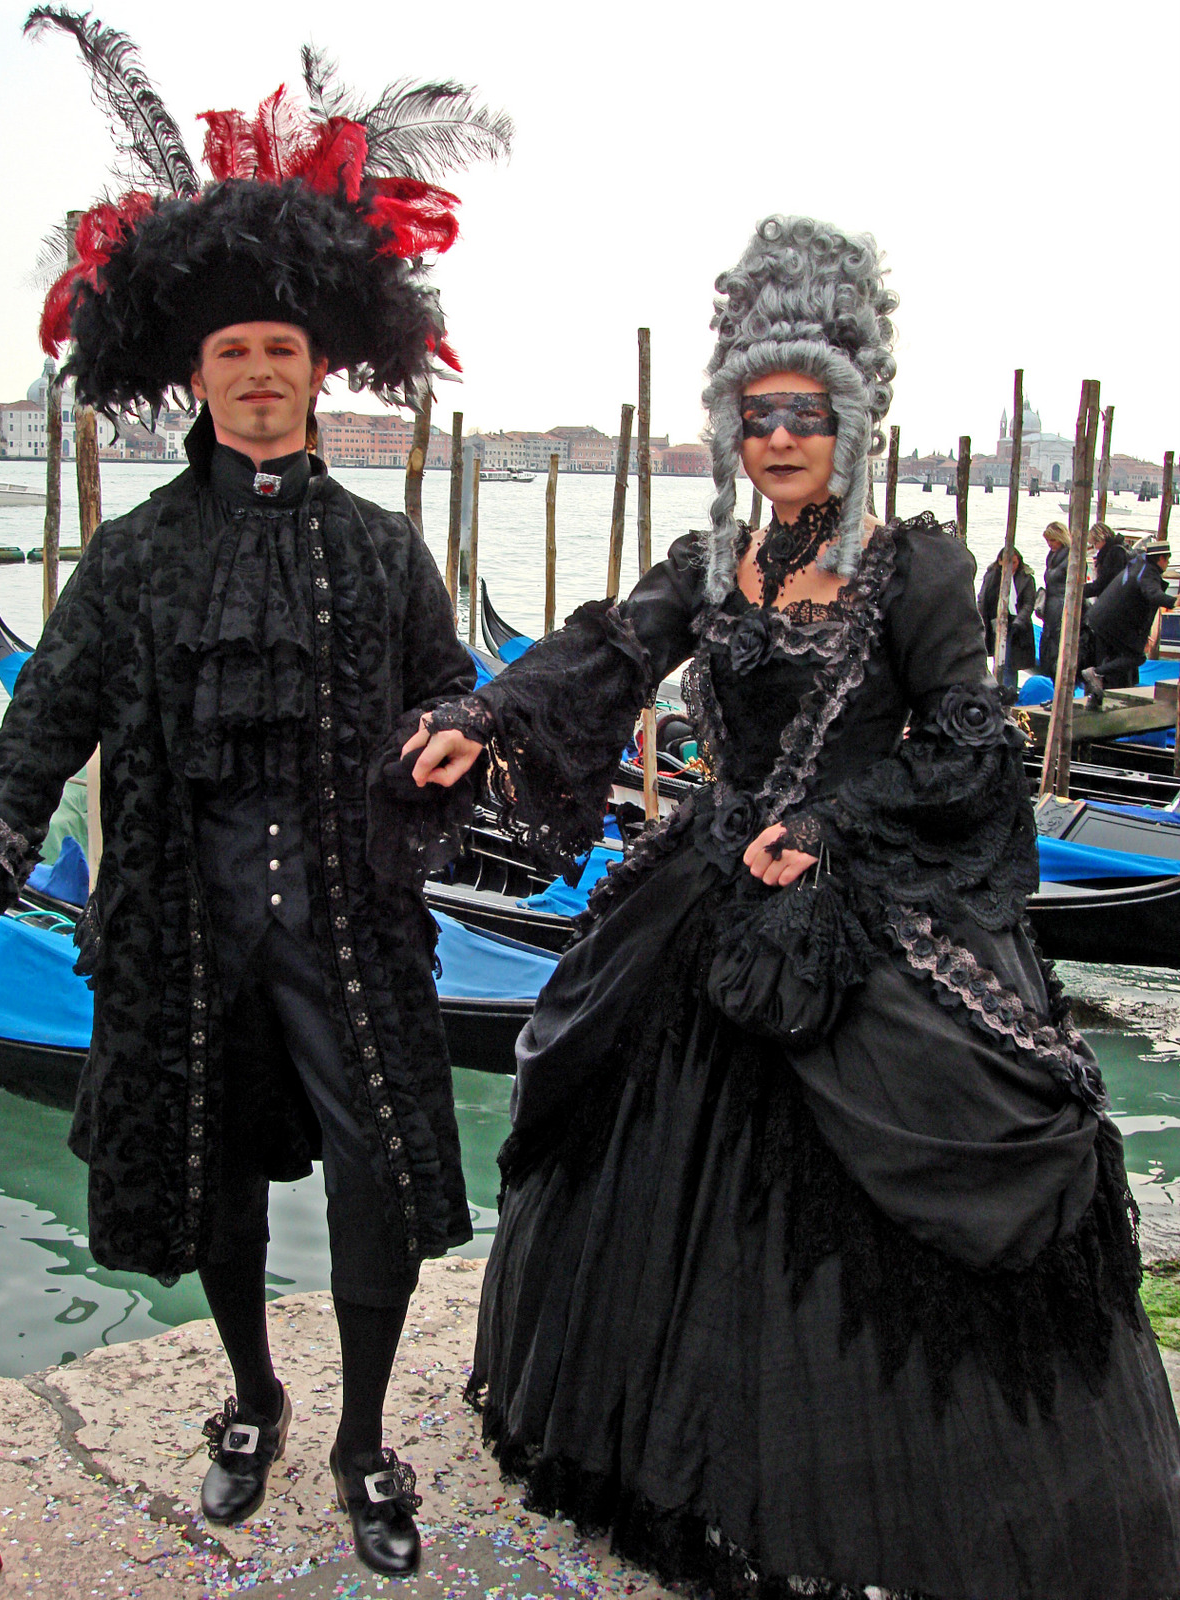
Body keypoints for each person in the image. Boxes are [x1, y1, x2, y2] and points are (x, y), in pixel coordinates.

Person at [401, 216, 1180, 1599]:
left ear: (852, 421)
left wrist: (827, 823)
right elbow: (607, 651)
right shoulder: (713, 562)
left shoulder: (915, 567)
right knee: (628, 1134)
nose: (776, 438)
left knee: (935, 1161)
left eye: (804, 414)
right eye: (754, 415)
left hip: (863, 902)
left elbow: (970, 743)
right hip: (708, 897)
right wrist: (484, 712)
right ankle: (669, 1462)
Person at [0, 69, 500, 1577]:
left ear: (320, 366)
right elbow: (31, 748)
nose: (260, 374)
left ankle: (361, 1443)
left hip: (351, 927)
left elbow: (457, 696)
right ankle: (253, 1397)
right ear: (197, 375)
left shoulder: (385, 552)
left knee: (374, 1178)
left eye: (282, 349)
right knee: (212, 1176)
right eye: (234, 353)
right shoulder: (135, 559)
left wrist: (456, 738)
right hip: (183, 928)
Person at [1083, 538, 1176, 704]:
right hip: (1112, 624)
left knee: (1112, 659)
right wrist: (1173, 601)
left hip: (1101, 619)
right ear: (1161, 559)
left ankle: (1095, 696)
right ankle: (1096, 673)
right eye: (1167, 559)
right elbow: (1152, 593)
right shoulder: (1149, 573)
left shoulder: (1138, 564)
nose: (1168, 563)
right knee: (1136, 657)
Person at [977, 544, 1036, 690]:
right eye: (1008, 562)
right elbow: (983, 598)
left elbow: (1029, 603)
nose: (1011, 566)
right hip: (995, 621)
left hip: (1015, 622)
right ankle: (997, 689)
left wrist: (1019, 621)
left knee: (1010, 662)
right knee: (997, 659)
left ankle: (1009, 691)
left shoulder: (1026, 577)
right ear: (1000, 561)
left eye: (1014, 563)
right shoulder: (991, 576)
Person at [1035, 518, 1070, 676]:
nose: (1050, 544)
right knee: (1048, 642)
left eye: (1053, 540)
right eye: (1048, 541)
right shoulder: (1052, 557)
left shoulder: (1070, 557)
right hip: (1051, 605)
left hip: (1061, 605)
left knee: (1056, 642)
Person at [1084, 519, 1131, 598]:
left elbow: (1103, 582)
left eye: (1095, 543)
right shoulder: (1120, 549)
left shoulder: (1114, 553)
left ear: (1101, 539)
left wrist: (1083, 590)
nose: (1096, 547)